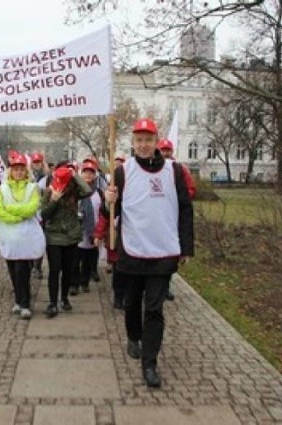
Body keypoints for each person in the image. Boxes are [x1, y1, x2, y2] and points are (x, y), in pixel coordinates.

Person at [104, 118, 194, 388]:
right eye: (139, 140)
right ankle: (133, 335)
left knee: (154, 309)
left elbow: (185, 209)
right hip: (132, 251)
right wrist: (108, 203)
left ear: (156, 142)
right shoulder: (122, 172)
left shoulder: (174, 172)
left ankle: (150, 362)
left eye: (148, 140)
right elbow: (111, 214)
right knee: (132, 302)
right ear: (133, 142)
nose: (143, 145)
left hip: (163, 251)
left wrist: (186, 247)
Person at [0, 152, 44, 319]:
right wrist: (17, 216)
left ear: (26, 171)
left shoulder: (32, 188)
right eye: (16, 169)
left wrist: (13, 211)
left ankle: (25, 303)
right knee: (13, 269)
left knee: (23, 269)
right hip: (8, 235)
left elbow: (32, 208)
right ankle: (18, 299)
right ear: (11, 171)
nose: (19, 172)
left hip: (25, 236)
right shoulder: (3, 188)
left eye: (22, 169)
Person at [40, 161, 92, 318]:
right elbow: (43, 214)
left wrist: (75, 176)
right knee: (55, 270)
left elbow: (88, 191)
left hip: (71, 235)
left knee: (68, 269)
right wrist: (54, 201)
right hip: (54, 236)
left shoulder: (75, 190)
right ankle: (52, 303)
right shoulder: (49, 191)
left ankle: (64, 298)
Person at [157, 138, 197, 301]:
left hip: (173, 216)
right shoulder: (153, 168)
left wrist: (179, 198)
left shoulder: (179, 170)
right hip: (157, 215)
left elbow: (190, 189)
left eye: (168, 150)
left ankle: (166, 285)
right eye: (163, 150)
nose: (165, 153)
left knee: (169, 253)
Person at [71, 159, 104, 295]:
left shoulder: (99, 193)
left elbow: (102, 212)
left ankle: (85, 282)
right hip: (77, 231)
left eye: (91, 173)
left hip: (93, 232)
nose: (88, 176)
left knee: (87, 261)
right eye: (85, 172)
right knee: (74, 261)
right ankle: (74, 284)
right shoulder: (75, 191)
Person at [30, 152, 48, 280]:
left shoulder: (47, 177)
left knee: (39, 240)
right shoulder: (28, 176)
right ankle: (30, 264)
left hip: (41, 211)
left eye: (39, 162)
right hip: (30, 212)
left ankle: (37, 266)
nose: (37, 165)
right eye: (35, 162)